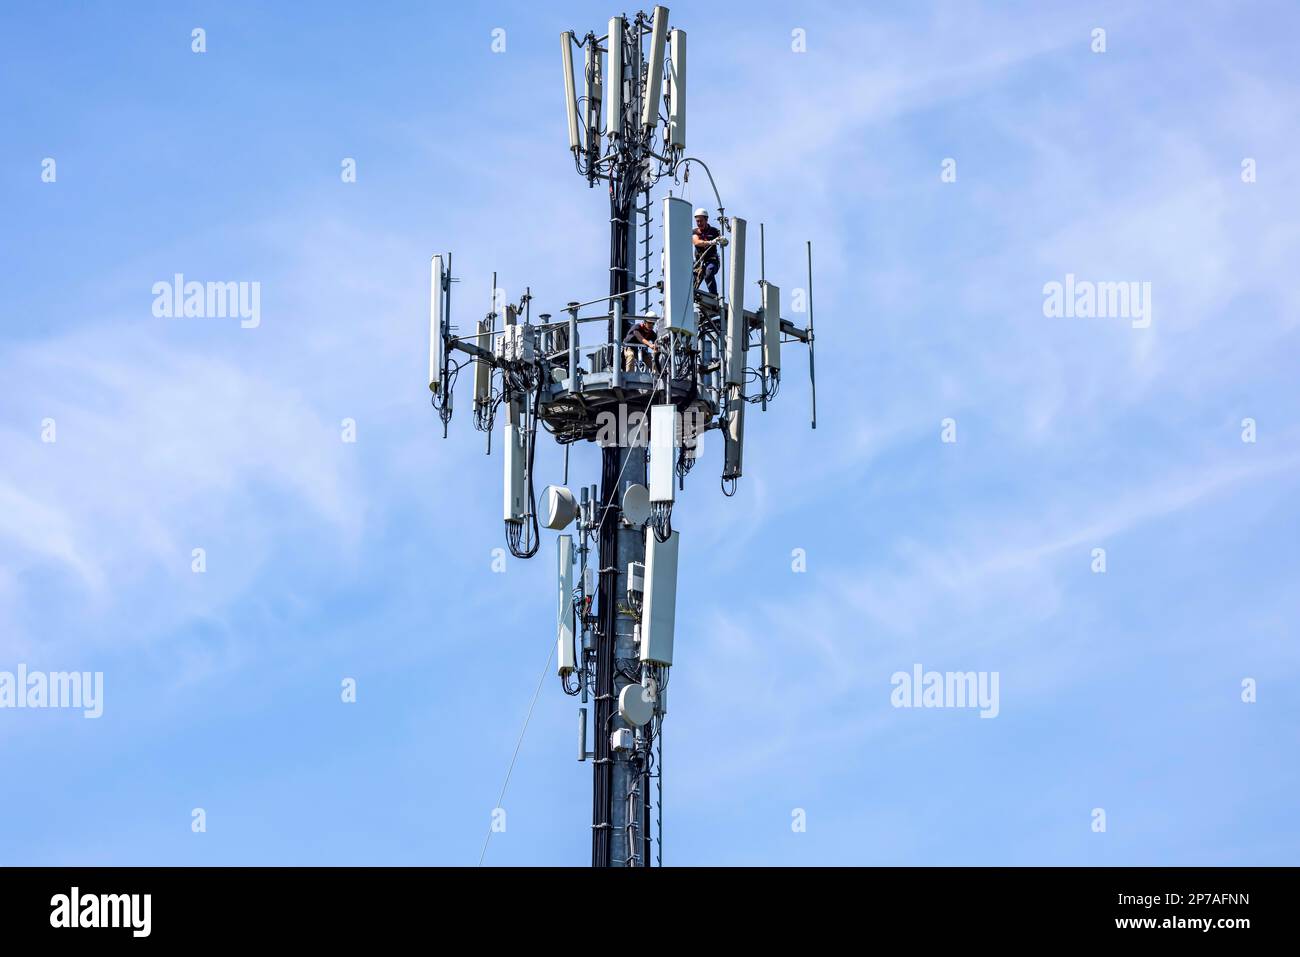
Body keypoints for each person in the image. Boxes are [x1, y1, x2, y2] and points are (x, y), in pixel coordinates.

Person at [691, 208, 722, 295]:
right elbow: (696, 242)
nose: (699, 223)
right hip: (699, 263)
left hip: (712, 261)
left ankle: (713, 296)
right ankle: (689, 297)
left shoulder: (714, 231)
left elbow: (722, 240)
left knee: (708, 273)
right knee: (692, 280)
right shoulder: (694, 232)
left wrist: (723, 241)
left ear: (706, 219)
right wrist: (710, 242)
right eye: (697, 221)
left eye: (701, 221)